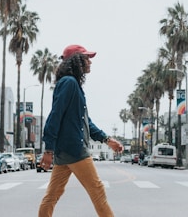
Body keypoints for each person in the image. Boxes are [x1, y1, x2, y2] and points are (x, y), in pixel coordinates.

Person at [38, 44, 124, 217]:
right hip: (75, 150)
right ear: (76, 61)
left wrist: (107, 140)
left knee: (52, 196)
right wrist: (48, 149)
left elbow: (85, 122)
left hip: (65, 151)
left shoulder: (73, 85)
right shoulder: (69, 83)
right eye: (86, 58)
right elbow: (55, 115)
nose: (90, 62)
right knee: (98, 191)